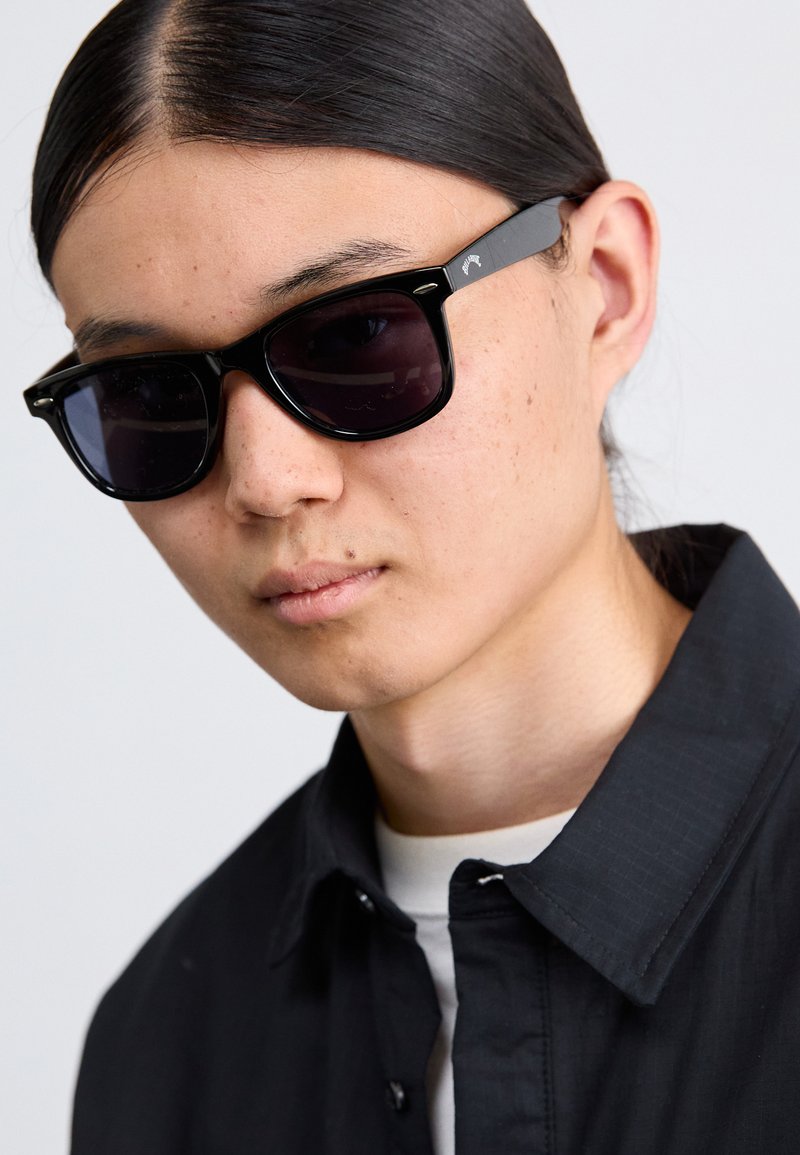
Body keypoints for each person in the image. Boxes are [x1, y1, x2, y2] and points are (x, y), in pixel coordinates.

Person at [21, 0, 800, 1151]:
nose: (266, 480)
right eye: (147, 394)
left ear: (604, 286)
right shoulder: (170, 1043)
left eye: (356, 337)